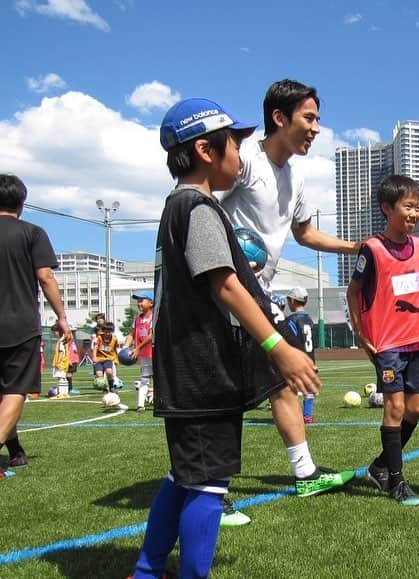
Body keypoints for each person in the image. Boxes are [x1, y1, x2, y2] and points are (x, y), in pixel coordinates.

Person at [131, 98, 322, 578]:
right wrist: (280, 349)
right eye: (234, 143)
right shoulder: (197, 207)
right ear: (205, 150)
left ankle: (147, 570)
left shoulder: (181, 206)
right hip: (201, 370)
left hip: (187, 367)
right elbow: (226, 284)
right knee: (210, 483)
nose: (242, 153)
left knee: (185, 476)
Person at [215, 80, 357, 523]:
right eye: (309, 118)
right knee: (220, 394)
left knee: (282, 381)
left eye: (317, 119)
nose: (316, 127)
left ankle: (305, 473)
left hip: (260, 295)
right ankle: (208, 491)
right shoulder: (243, 161)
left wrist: (356, 248)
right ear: (280, 118)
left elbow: (304, 234)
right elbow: (202, 206)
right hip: (223, 293)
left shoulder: (297, 175)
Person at [347, 175, 419, 507]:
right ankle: (396, 482)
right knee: (395, 408)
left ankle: (379, 466)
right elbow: (354, 292)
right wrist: (360, 334)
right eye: (408, 207)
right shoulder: (372, 250)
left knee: (417, 408)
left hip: (418, 339)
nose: (414, 214)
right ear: (387, 208)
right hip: (388, 344)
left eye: (418, 207)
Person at [0, 174, 71, 478]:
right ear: (22, 203)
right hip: (19, 324)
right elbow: (45, 276)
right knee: (15, 390)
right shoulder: (32, 233)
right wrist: (62, 317)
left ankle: (15, 450)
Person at [284, 286, 317, 424]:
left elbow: (291, 339)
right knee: (309, 389)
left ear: (292, 300)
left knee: (289, 388)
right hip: (310, 360)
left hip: (297, 359)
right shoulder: (309, 319)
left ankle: (291, 416)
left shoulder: (292, 320)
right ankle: (307, 416)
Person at [123, 290, 155, 412]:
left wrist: (137, 348)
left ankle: (158, 400)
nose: (139, 303)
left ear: (151, 303)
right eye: (138, 301)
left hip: (156, 353)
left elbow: (151, 336)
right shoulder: (137, 319)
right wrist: (125, 348)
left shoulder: (154, 317)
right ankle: (140, 404)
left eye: (142, 300)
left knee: (160, 379)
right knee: (144, 378)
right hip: (145, 355)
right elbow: (131, 335)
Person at [92, 322, 120, 392]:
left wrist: (117, 359)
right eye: (106, 332)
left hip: (109, 359)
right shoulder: (99, 338)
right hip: (99, 359)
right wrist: (94, 357)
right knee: (99, 374)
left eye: (110, 332)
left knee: (109, 372)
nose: (108, 334)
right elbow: (95, 348)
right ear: (103, 331)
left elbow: (115, 349)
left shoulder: (114, 339)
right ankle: (104, 388)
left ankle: (111, 387)